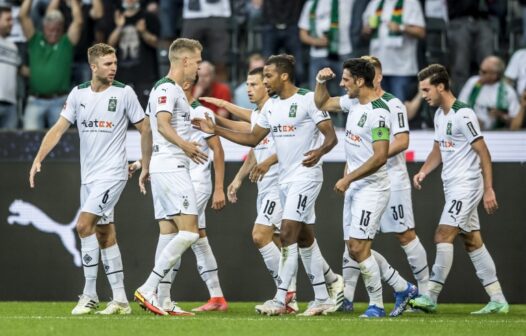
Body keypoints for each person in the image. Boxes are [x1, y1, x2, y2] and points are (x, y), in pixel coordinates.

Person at [195, 54, 340, 316]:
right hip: (284, 179)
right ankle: (322, 296)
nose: (265, 81)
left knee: (286, 233)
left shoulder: (308, 99)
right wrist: (215, 128)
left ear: (284, 76)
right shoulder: (271, 106)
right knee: (305, 236)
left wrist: (319, 152)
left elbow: (331, 136)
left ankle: (282, 298)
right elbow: (252, 138)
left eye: (268, 76)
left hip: (306, 177)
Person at [28, 43, 151, 315]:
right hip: (89, 177)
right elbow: (59, 128)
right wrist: (38, 158)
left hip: (113, 173)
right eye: (108, 64)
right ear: (93, 66)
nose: (114, 67)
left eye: (115, 62)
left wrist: (145, 165)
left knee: (83, 225)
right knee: (105, 234)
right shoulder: (78, 93)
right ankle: (120, 299)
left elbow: (145, 127)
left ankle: (89, 294)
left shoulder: (124, 93)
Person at [314, 58, 418, 318]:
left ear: (360, 81)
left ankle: (377, 305)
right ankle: (402, 287)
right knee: (354, 248)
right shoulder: (352, 102)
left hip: (372, 188)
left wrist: (349, 178)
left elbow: (380, 157)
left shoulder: (380, 113)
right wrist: (319, 82)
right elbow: (323, 103)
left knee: (359, 248)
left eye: (346, 80)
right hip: (356, 188)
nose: (342, 84)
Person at [409, 64, 509, 314]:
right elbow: (438, 150)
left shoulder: (463, 114)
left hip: (467, 185)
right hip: (452, 186)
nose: (424, 95)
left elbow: (483, 151)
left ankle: (430, 296)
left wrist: (488, 189)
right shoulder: (440, 115)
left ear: (441, 86)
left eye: (426, 89)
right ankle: (498, 299)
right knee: (473, 241)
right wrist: (423, 171)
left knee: (442, 234)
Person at [133, 38, 207, 316]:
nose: (198, 68)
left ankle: (162, 300)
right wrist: (186, 146)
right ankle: (149, 287)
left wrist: (146, 165)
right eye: (197, 62)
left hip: (164, 166)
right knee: (189, 230)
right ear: (185, 60)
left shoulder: (167, 89)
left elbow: (149, 130)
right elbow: (162, 125)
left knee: (169, 232)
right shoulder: (167, 88)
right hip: (173, 167)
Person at [20, 0, 83, 130]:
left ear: (62, 29)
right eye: (50, 30)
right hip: (35, 100)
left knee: (60, 144)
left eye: (57, 30)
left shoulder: (66, 42)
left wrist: (74, 2)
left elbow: (78, 22)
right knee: (28, 139)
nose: (54, 33)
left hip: (60, 101)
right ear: (44, 28)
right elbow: (23, 16)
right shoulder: (34, 39)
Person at [362, 0, 426, 102]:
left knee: (399, 110)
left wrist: (401, 27)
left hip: (401, 70)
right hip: (377, 70)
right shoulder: (374, 3)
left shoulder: (411, 2)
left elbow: (421, 32)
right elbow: (364, 32)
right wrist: (367, 30)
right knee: (379, 111)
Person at [108, 0, 160, 108]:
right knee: (118, 114)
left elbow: (156, 43)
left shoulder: (148, 17)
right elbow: (109, 45)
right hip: (120, 75)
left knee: (144, 114)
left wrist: (143, 31)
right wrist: (119, 27)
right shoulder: (116, 16)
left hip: (144, 75)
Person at [459, 56, 520, 130]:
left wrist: (501, 116)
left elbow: (515, 121)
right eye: (480, 70)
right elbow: (460, 106)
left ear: (495, 75)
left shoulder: (508, 91)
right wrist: (472, 119)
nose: (480, 73)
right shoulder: (473, 82)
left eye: (484, 72)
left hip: (497, 134)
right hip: (471, 130)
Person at [0, 5, 19, 129]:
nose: (12, 23)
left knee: (9, 147)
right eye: (8, 19)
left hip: (11, 105)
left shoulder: (13, 47)